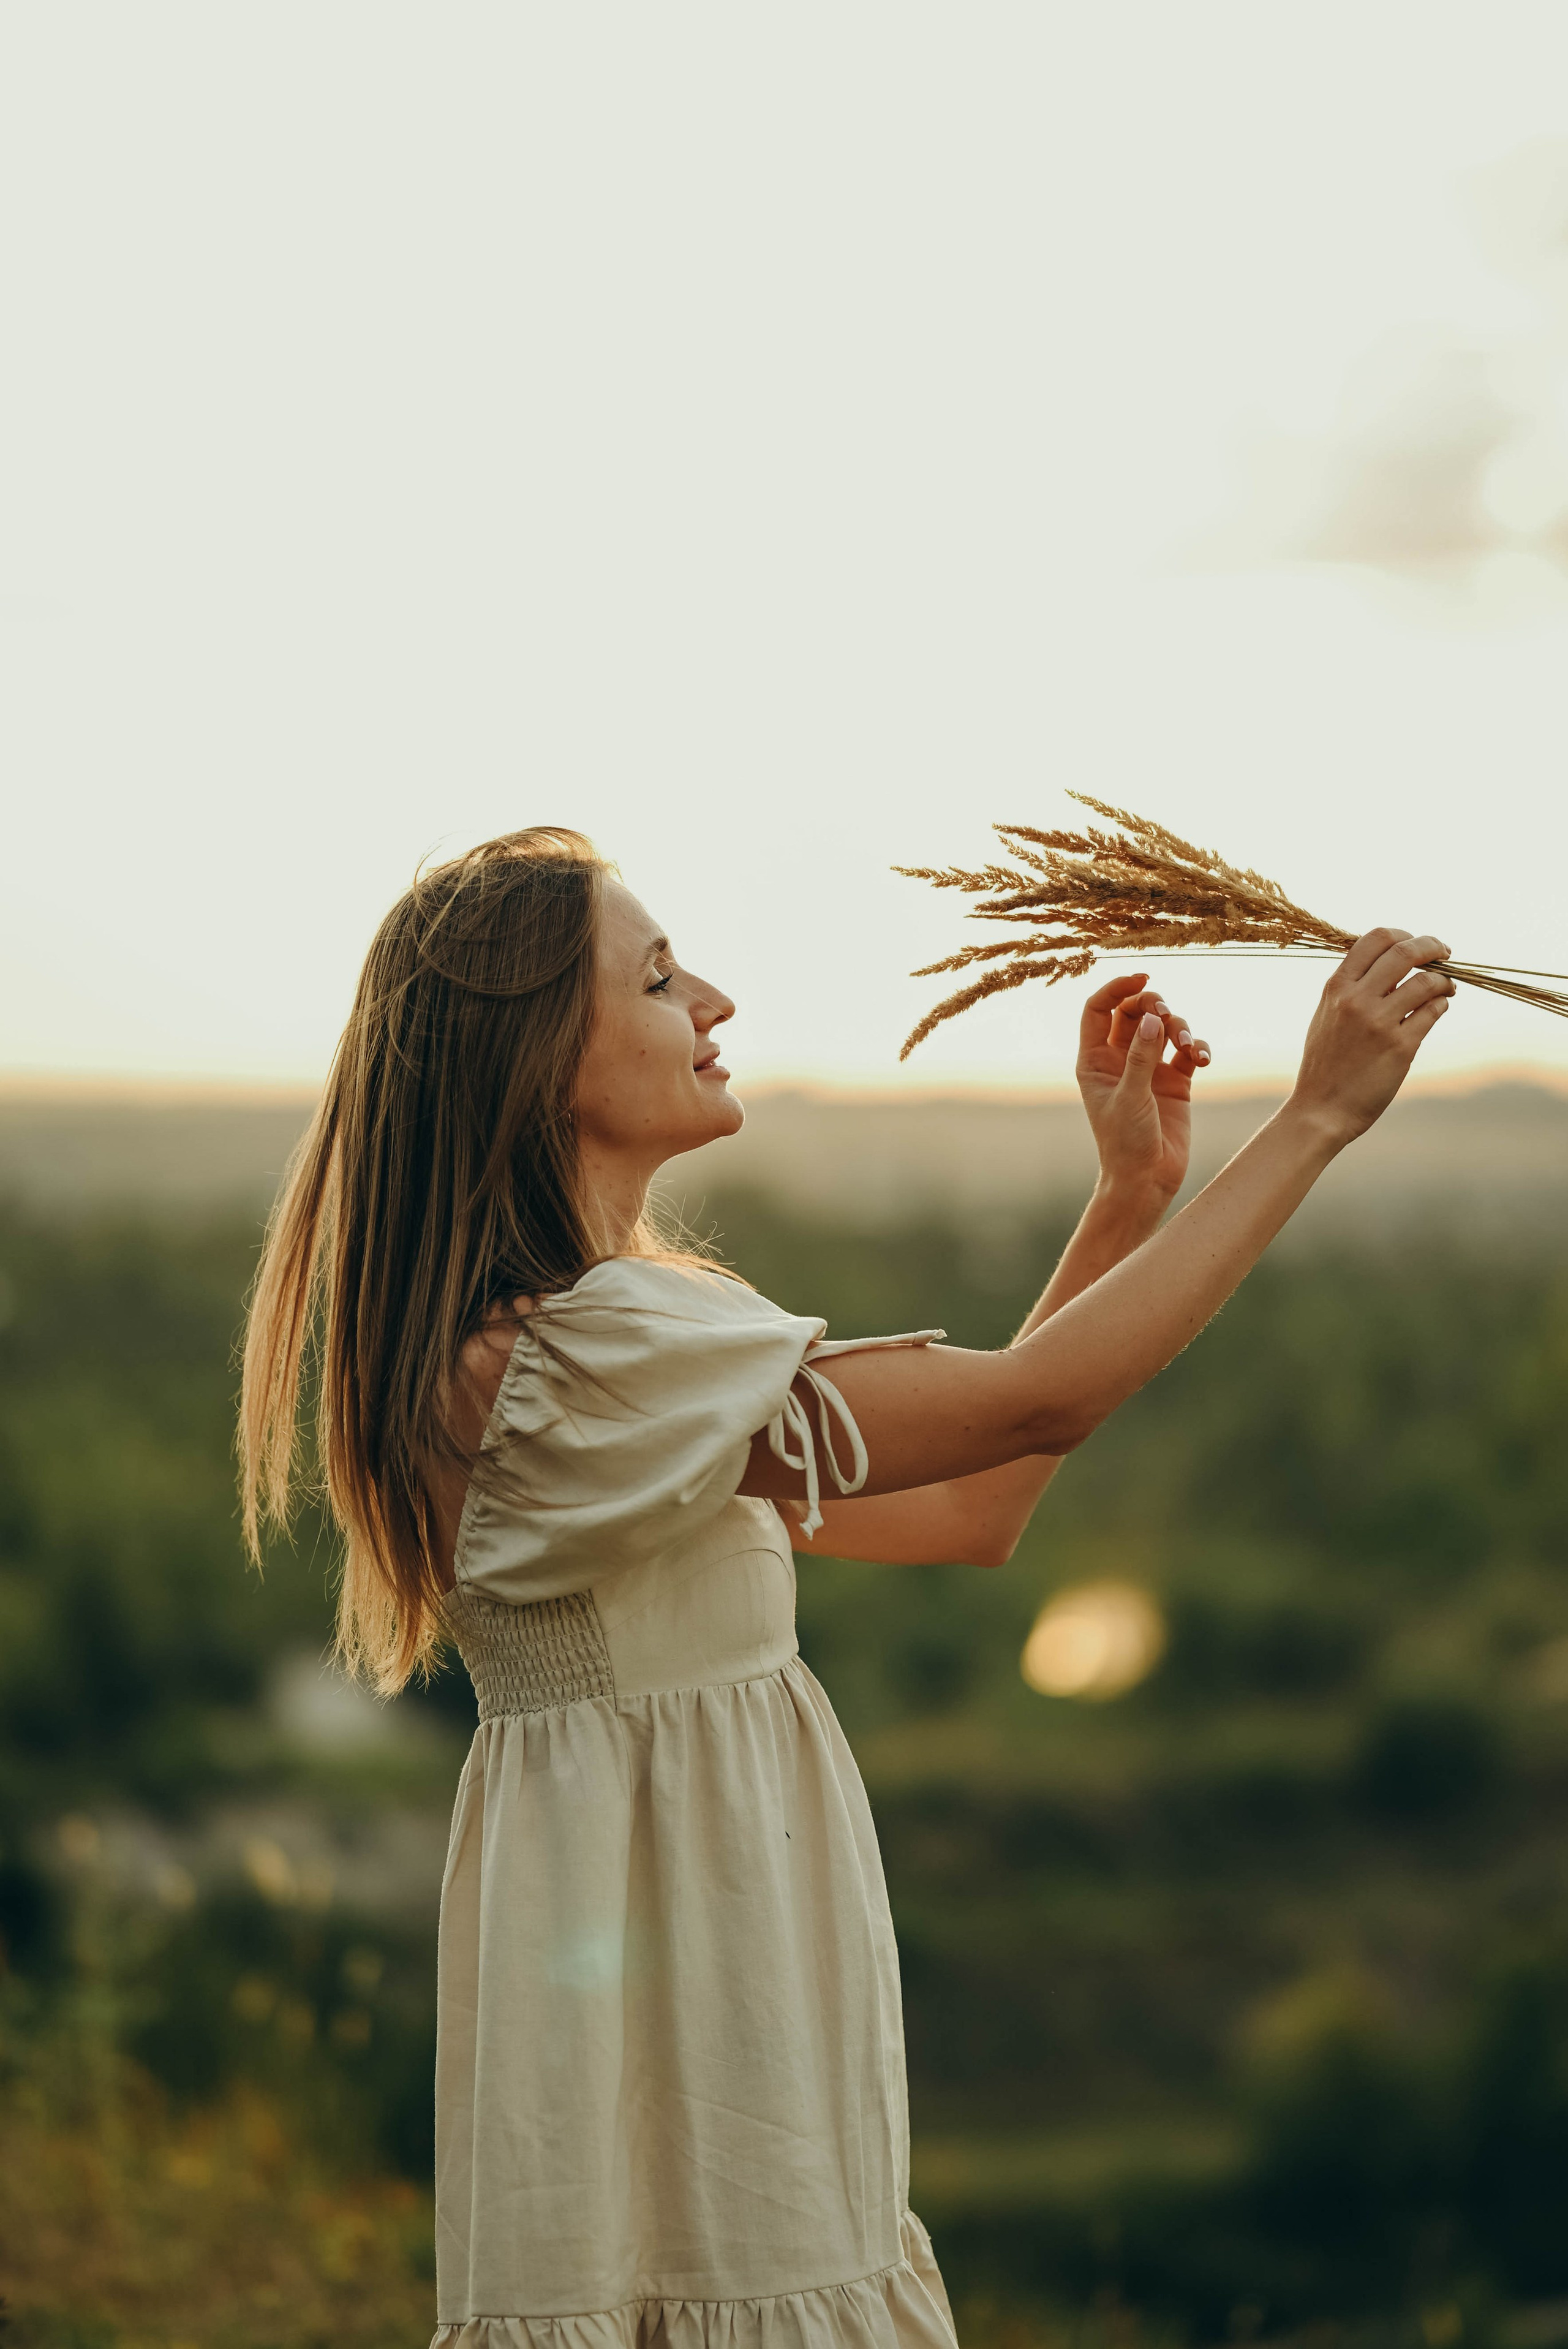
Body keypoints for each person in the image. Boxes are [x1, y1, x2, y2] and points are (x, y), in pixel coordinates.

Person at [239, 826, 1454, 2349]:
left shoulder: (614, 1343)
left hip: (727, 1945)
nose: (719, 1004)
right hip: (674, 1970)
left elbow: (972, 1508)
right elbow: (1033, 1408)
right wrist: (1318, 1115)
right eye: (664, 977)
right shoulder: (561, 1361)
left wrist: (1127, 1202)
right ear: (542, 1054)